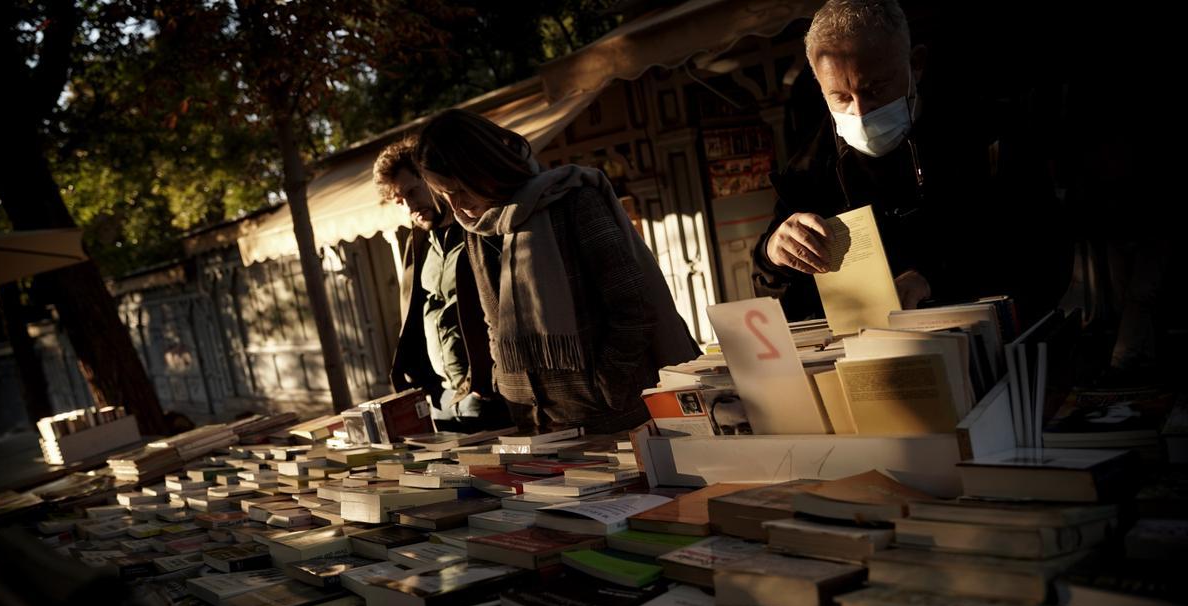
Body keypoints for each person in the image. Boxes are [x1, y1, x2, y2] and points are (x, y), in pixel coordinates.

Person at [752, 0, 1068, 327]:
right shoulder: (809, 172)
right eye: (841, 97)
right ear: (820, 88)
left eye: (874, 89)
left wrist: (936, 280)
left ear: (915, 65)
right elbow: (782, 309)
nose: (860, 111)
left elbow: (1049, 261)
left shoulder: (989, 137)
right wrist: (773, 256)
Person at [413, 109, 700, 434]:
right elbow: (493, 321)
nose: (456, 207)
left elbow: (634, 306)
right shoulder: (476, 229)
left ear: (485, 167)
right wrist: (506, 384)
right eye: (444, 196)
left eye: (461, 190)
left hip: (608, 417)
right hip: (533, 424)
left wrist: (605, 384)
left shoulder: (572, 201)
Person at [373, 137, 510, 432]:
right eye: (401, 200)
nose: (410, 206)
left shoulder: (480, 229)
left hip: (492, 393)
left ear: (432, 180)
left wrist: (490, 384)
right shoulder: (419, 243)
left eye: (413, 191)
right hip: (443, 397)